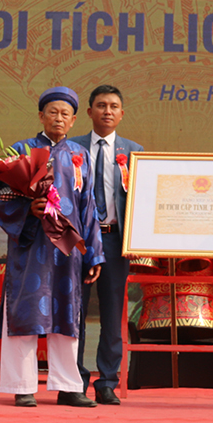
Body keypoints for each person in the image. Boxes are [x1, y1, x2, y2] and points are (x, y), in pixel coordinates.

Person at [0, 86, 105, 408]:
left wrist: (94, 252)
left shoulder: (80, 157)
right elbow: (0, 196)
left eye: (65, 114)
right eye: (52, 112)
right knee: (24, 312)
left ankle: (69, 386)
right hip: (31, 247)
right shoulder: (21, 151)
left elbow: (89, 208)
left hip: (67, 250)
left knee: (68, 316)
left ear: (74, 120)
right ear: (41, 115)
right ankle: (22, 385)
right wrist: (29, 210)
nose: (59, 118)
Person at [70, 85, 143, 406]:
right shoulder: (70, 148)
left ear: (122, 113)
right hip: (77, 242)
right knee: (75, 311)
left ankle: (107, 381)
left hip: (115, 240)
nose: (107, 111)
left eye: (114, 106)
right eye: (101, 105)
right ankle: (73, 379)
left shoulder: (135, 152)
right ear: (89, 112)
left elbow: (145, 200)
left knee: (113, 313)